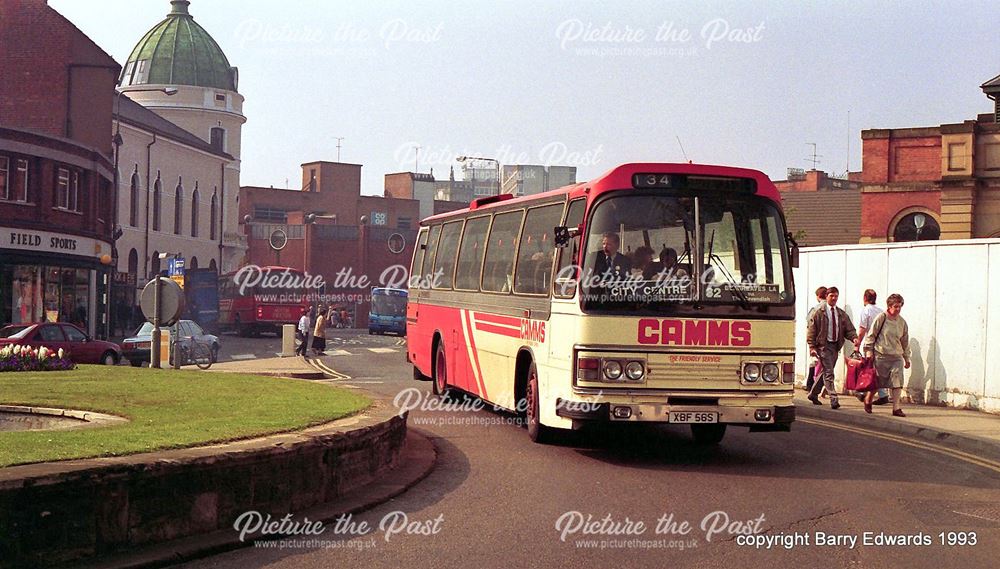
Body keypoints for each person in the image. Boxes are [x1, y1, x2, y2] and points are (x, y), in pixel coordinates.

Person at [806, 286, 857, 409]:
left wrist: (854, 337)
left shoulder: (840, 314)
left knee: (825, 371)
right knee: (829, 373)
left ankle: (813, 394)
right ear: (826, 297)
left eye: (836, 296)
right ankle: (834, 399)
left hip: (835, 346)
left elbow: (848, 329)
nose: (834, 298)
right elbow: (812, 330)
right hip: (823, 346)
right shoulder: (819, 312)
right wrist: (812, 347)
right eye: (831, 296)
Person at [861, 293, 911, 417]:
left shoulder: (902, 322)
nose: (898, 309)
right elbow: (871, 335)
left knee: (897, 382)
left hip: (896, 357)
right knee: (877, 382)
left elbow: (905, 341)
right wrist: (868, 351)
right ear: (889, 306)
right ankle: (868, 399)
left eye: (900, 306)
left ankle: (896, 408)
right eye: (895, 306)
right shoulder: (881, 318)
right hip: (881, 355)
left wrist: (906, 358)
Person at [854, 289, 889, 405]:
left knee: (869, 370)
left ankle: (865, 392)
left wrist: (857, 345)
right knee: (875, 369)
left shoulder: (866, 311)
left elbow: (862, 330)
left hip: (869, 344)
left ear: (864, 298)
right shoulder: (881, 311)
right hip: (881, 344)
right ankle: (881, 393)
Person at [804, 286, 828, 393]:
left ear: (818, 296)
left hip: (818, 342)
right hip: (830, 342)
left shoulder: (816, 309)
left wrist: (811, 343)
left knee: (816, 364)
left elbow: (810, 325)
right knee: (823, 366)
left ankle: (813, 386)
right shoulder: (833, 308)